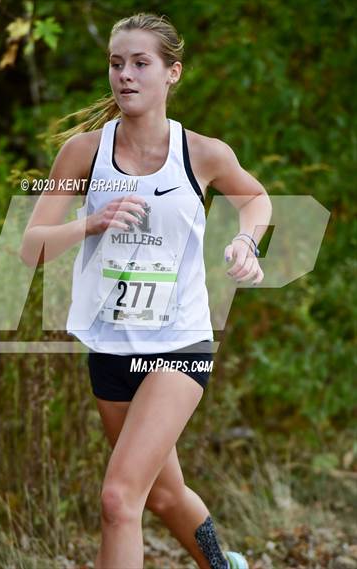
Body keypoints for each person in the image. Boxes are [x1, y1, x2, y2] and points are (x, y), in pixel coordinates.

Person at [20, 12, 271, 569]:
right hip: (110, 347)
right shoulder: (83, 154)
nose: (125, 76)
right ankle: (223, 565)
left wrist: (247, 243)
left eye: (140, 63)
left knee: (119, 498)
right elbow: (32, 248)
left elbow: (256, 199)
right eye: (116, 64)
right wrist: (89, 222)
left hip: (178, 342)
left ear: (171, 73)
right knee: (159, 493)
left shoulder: (203, 152)